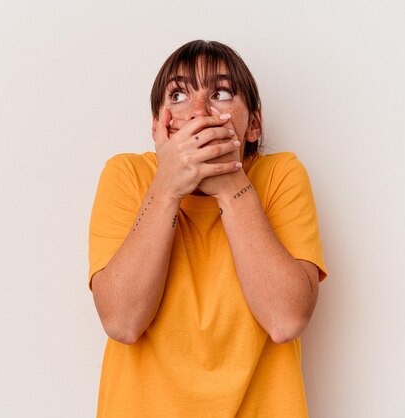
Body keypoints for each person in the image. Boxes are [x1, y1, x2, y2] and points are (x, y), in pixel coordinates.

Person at [87, 40, 327, 417]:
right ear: (157, 126)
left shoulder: (281, 175)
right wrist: (167, 187)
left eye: (220, 92)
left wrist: (230, 183)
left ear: (254, 124)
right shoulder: (127, 176)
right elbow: (122, 322)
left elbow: (286, 320)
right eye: (179, 94)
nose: (200, 112)